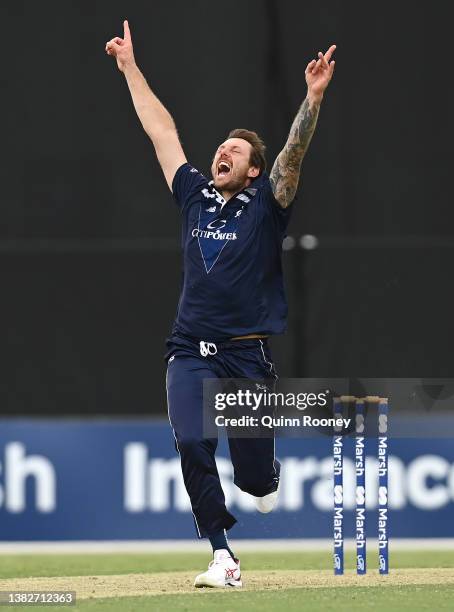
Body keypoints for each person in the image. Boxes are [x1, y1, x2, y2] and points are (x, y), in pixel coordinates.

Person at [106, 20, 336, 588]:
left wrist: (311, 99)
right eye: (221, 147)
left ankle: (264, 480)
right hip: (191, 349)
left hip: (247, 357)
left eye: (236, 149)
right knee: (191, 440)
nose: (222, 151)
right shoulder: (194, 195)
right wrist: (131, 68)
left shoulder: (266, 203)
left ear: (254, 170)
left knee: (256, 479)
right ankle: (222, 554)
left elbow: (293, 155)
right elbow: (162, 132)